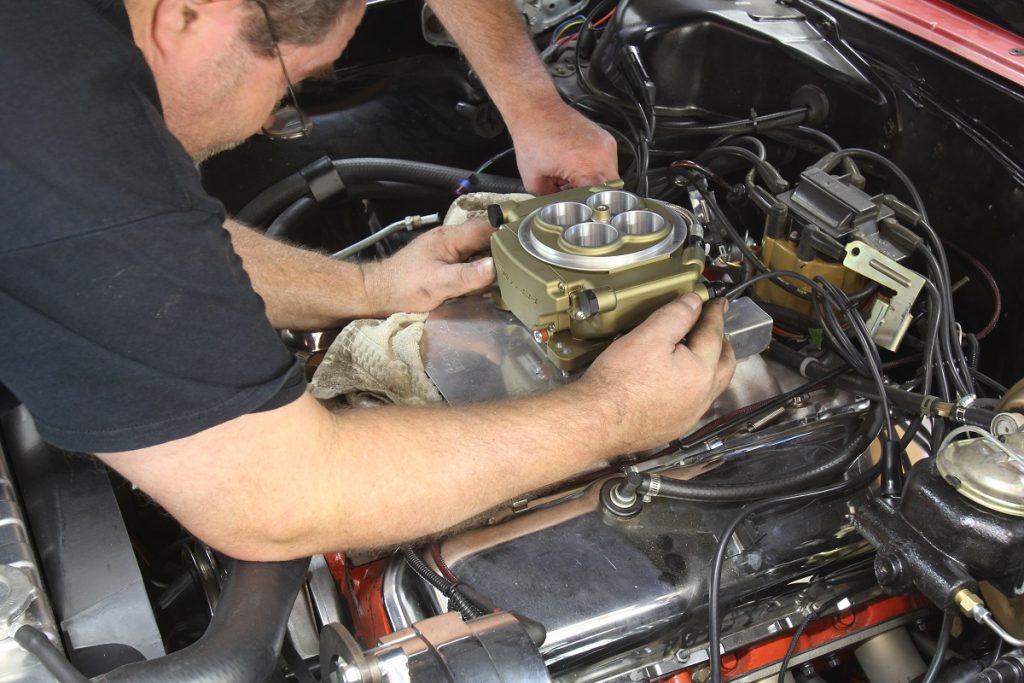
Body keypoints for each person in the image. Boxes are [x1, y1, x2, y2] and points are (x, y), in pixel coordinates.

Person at [0, 0, 735, 562]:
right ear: (191, 15)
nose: (270, 122)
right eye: (296, 85)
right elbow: (275, 494)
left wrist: (368, 289)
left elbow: (155, 244)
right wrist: (609, 415)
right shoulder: (64, 136)